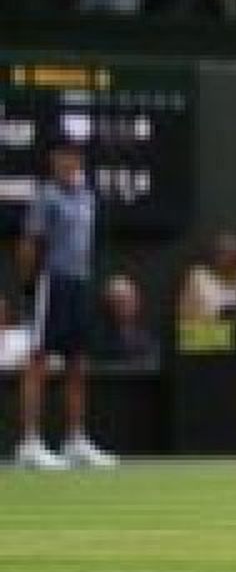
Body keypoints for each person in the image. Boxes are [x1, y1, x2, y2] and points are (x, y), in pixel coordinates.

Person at [13, 145, 118, 469]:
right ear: (53, 160)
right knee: (38, 361)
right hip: (52, 282)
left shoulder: (88, 196)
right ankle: (29, 443)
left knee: (77, 363)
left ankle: (75, 441)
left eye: (74, 156)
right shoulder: (46, 196)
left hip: (79, 284)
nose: (69, 161)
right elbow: (29, 244)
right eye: (62, 156)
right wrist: (30, 284)